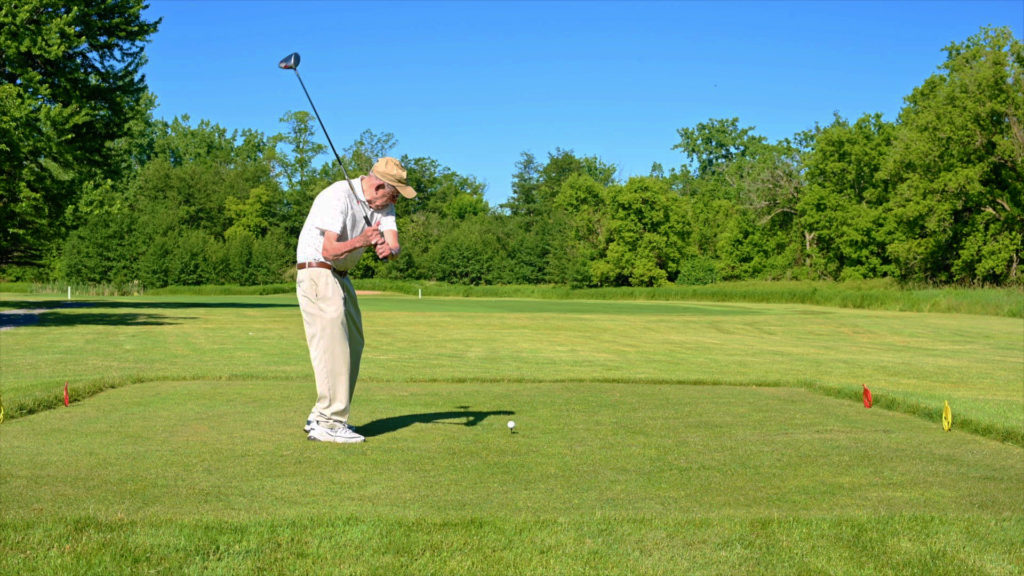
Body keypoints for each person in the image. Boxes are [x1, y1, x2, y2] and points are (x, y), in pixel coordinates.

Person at [295, 157, 415, 443]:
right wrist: (362, 241)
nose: (395, 200)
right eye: (393, 193)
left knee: (354, 344)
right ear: (377, 186)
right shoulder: (338, 196)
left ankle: (321, 414)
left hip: (342, 277)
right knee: (333, 347)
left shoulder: (382, 206)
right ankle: (330, 422)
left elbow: (393, 241)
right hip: (318, 271)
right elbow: (330, 249)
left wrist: (390, 250)